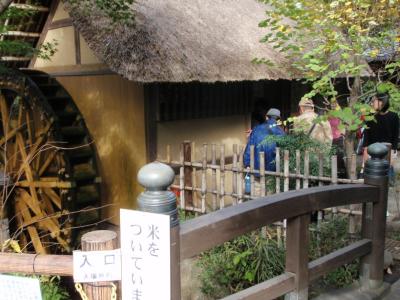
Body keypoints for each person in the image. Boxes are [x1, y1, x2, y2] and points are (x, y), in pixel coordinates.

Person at [244, 108, 285, 195]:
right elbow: (284, 152)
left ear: (266, 117)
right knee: (270, 199)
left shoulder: (256, 129)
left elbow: (249, 148)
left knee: (256, 198)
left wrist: (247, 163)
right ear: (278, 119)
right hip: (272, 171)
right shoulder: (281, 133)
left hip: (256, 169)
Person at [362, 92, 399, 185]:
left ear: (381, 102)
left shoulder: (394, 116)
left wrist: (393, 153)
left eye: (374, 101)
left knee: (388, 182)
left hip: (388, 150)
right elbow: (366, 135)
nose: (371, 103)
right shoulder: (370, 116)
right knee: (370, 180)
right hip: (372, 151)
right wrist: (365, 151)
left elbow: (395, 136)